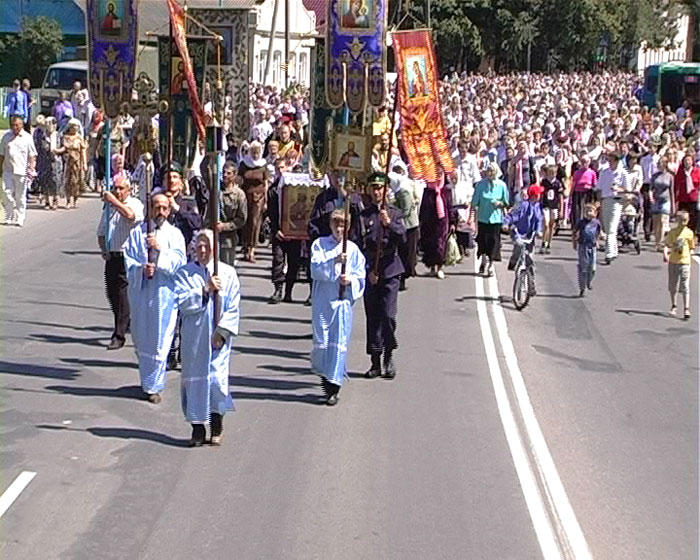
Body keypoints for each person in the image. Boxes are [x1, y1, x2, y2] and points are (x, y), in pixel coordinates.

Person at [174, 230, 241, 447]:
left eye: (207, 246)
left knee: (217, 381)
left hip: (216, 340)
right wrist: (205, 289)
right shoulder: (185, 273)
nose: (203, 250)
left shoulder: (228, 273)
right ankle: (197, 428)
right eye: (199, 245)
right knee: (195, 382)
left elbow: (233, 307)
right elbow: (182, 302)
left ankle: (217, 424)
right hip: (194, 339)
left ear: (215, 248)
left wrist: (222, 332)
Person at [124, 192, 186, 402]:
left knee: (160, 340)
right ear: (150, 208)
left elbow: (180, 263)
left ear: (169, 211)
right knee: (142, 338)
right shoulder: (137, 233)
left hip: (164, 295)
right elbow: (129, 261)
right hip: (142, 294)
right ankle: (146, 380)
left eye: (164, 208)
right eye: (156, 207)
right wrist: (142, 269)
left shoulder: (175, 234)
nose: (160, 211)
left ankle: (154, 386)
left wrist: (159, 254)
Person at [310, 209, 366, 405]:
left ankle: (333, 387)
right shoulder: (320, 245)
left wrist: (350, 281)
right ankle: (324, 376)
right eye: (336, 225)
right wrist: (333, 261)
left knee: (338, 343)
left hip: (342, 303)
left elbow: (360, 274)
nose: (339, 229)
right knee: (323, 342)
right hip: (324, 302)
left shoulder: (353, 249)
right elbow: (315, 269)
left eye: (343, 225)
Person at [359, 173, 406, 379]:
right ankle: (375, 361)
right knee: (373, 317)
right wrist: (368, 270)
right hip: (371, 270)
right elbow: (358, 244)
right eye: (374, 188)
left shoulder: (394, 213)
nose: (377, 192)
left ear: (386, 190)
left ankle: (389, 354)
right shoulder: (364, 216)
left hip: (390, 269)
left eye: (380, 188)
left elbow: (403, 237)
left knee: (388, 315)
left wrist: (389, 224)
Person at [97, 176, 144, 350]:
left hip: (128, 256)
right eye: (115, 188)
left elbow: (130, 216)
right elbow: (101, 231)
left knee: (123, 295)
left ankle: (119, 335)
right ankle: (125, 320)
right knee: (112, 294)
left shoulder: (134, 204)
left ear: (129, 190)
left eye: (121, 188)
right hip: (112, 255)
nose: (117, 191)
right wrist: (104, 248)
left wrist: (114, 201)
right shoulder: (109, 207)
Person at [472, 162, 509, 277]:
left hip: (495, 219)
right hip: (483, 218)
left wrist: (499, 203)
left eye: (492, 171)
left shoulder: (502, 185)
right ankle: (483, 260)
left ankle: (491, 265)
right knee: (483, 242)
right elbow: (474, 202)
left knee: (494, 243)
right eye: (488, 171)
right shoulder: (480, 185)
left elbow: (506, 202)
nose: (490, 173)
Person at [0, 116, 37, 226]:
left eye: (17, 125)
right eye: (12, 125)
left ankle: (20, 217)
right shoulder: (6, 137)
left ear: (21, 125)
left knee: (20, 196)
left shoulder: (27, 138)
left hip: (21, 171)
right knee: (6, 193)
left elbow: (32, 155)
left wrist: (31, 168)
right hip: (8, 170)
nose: (14, 127)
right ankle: (9, 215)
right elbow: (1, 154)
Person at [595, 146, 629, 265]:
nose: (609, 162)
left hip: (616, 201)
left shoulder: (623, 173)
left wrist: (619, 189)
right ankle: (614, 251)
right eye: (608, 159)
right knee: (607, 227)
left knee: (612, 228)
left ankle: (608, 253)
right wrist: (598, 201)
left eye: (612, 160)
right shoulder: (604, 172)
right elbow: (599, 188)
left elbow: (628, 189)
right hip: (605, 200)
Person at [390, 161, 420, 290]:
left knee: (407, 252)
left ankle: (404, 276)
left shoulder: (404, 191)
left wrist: (395, 215)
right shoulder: (398, 190)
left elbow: (406, 210)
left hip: (409, 226)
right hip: (404, 225)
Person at [238, 140, 270, 263]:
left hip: (259, 197)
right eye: (253, 153)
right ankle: (245, 245)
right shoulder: (244, 164)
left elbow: (265, 183)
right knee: (246, 221)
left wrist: (266, 200)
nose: (255, 155)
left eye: (257, 153)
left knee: (255, 222)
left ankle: (252, 249)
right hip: (246, 195)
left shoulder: (263, 165)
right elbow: (239, 179)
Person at [505, 184, 544, 278]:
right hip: (519, 232)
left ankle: (531, 281)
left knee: (529, 257)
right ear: (535, 196)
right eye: (539, 194)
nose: (540, 196)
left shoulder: (538, 206)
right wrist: (506, 223)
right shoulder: (523, 205)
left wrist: (538, 231)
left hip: (530, 235)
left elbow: (539, 220)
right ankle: (513, 261)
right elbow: (512, 216)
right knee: (519, 245)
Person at [420, 171, 453, 279]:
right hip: (429, 221)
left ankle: (440, 267)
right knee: (430, 245)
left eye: (440, 175)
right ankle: (432, 267)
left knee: (440, 245)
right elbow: (423, 206)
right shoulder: (428, 190)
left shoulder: (446, 190)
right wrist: (421, 220)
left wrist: (452, 222)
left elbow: (449, 206)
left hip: (442, 222)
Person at [664, 210, 695, 320]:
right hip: (673, 261)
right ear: (677, 220)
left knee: (685, 285)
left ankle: (686, 308)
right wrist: (665, 254)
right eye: (681, 220)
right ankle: (674, 305)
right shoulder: (673, 232)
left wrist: (691, 253)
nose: (683, 222)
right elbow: (667, 245)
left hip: (685, 262)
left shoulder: (689, 233)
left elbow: (691, 246)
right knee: (673, 285)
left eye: (685, 220)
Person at [219, 161, 248, 266]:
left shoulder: (239, 194)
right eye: (223, 172)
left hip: (228, 239)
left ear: (234, 175)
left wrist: (224, 226)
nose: (225, 175)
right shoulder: (217, 190)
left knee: (226, 267)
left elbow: (241, 219)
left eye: (228, 173)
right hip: (212, 236)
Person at [54, 118, 87, 208]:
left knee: (76, 181)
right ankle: (68, 201)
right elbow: (64, 148)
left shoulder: (79, 138)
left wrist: (84, 163)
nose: (75, 128)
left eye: (76, 127)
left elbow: (83, 151)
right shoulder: (66, 137)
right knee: (68, 181)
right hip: (68, 162)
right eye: (73, 127)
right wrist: (56, 151)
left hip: (78, 162)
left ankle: (75, 200)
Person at [573, 203, 602, 297]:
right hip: (583, 246)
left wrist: (597, 241)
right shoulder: (581, 222)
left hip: (592, 246)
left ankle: (589, 281)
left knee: (592, 268)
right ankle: (582, 287)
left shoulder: (596, 223)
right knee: (583, 267)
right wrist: (574, 242)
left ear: (595, 213)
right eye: (586, 211)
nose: (588, 213)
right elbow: (575, 232)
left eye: (590, 211)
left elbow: (598, 232)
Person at [34, 116, 62, 210]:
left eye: (52, 124)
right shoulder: (42, 136)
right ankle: (46, 200)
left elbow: (64, 147)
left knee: (55, 180)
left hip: (55, 161)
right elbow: (37, 147)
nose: (50, 126)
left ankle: (55, 200)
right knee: (44, 180)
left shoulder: (58, 135)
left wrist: (58, 150)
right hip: (44, 160)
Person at [650, 157, 673, 251]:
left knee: (663, 221)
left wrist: (673, 205)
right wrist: (651, 197)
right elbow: (651, 188)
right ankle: (656, 241)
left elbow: (671, 191)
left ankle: (660, 242)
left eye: (661, 163)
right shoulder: (654, 176)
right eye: (659, 163)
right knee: (656, 223)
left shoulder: (670, 176)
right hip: (656, 200)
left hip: (666, 200)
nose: (659, 165)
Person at [673, 154, 700, 234]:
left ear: (692, 162)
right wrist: (675, 200)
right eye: (685, 160)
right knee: (682, 219)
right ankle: (683, 236)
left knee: (693, 220)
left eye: (689, 160)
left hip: (693, 199)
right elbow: (676, 186)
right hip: (683, 199)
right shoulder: (680, 173)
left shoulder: (697, 171)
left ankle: (691, 236)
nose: (687, 162)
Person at [540, 165, 563, 254]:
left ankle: (549, 243)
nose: (552, 175)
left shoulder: (557, 183)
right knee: (546, 224)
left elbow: (560, 196)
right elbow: (541, 193)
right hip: (546, 205)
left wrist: (561, 209)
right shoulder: (544, 182)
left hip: (554, 206)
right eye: (550, 173)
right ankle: (543, 242)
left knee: (551, 225)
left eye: (553, 173)